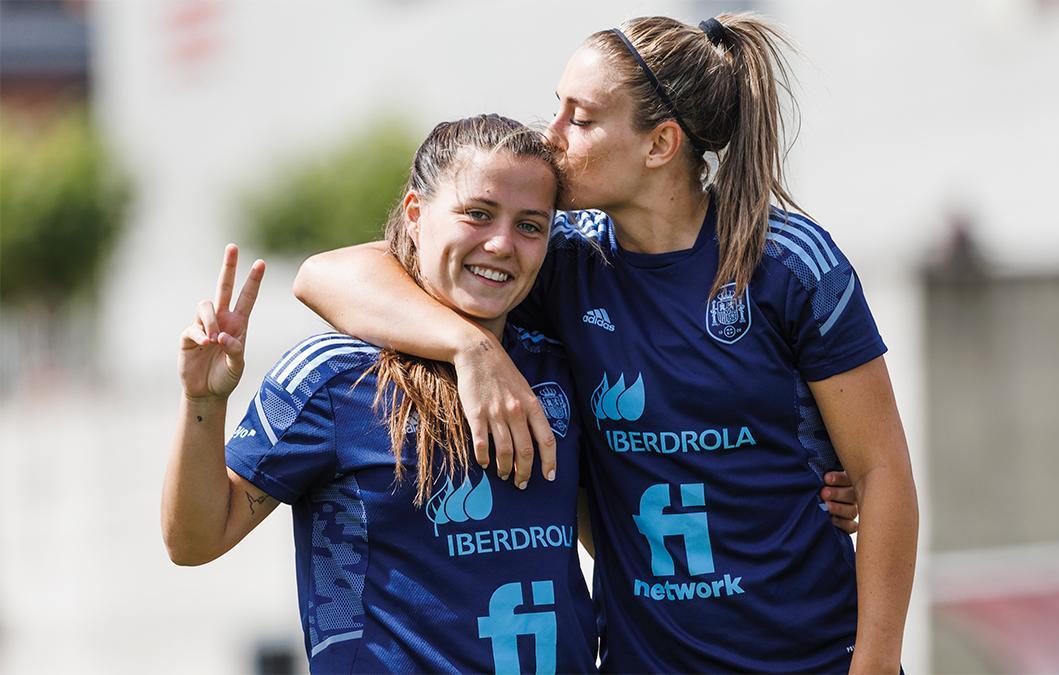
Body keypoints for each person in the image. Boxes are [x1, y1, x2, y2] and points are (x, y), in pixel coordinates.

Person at [294, 13, 918, 674]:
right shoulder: (561, 258)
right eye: (556, 108)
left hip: (816, 658)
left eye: (580, 118)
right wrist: (466, 347)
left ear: (661, 144)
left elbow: (882, 474)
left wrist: (874, 665)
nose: (550, 134)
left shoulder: (788, 265)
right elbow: (327, 274)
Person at [161, 114, 599, 673]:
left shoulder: (557, 366)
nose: (501, 244)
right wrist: (202, 402)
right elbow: (193, 541)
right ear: (415, 215)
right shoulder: (334, 375)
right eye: (478, 214)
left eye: (530, 226)